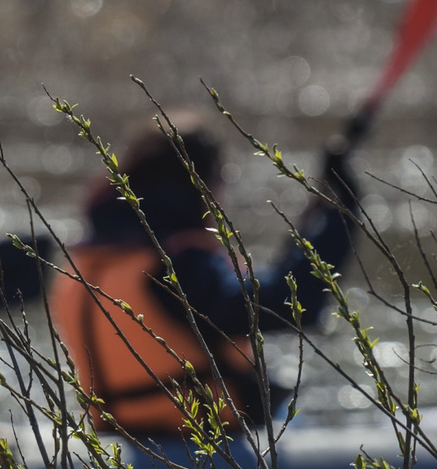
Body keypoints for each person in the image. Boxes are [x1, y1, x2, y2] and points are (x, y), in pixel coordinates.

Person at [48, 117, 358, 434]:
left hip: (113, 437)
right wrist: (340, 213)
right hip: (199, 442)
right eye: (219, 180)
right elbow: (294, 304)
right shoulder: (177, 268)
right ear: (199, 185)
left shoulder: (80, 267)